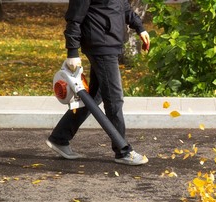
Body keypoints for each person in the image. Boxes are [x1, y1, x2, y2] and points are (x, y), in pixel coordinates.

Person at [46, 0, 150, 166]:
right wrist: (72, 51)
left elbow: (122, 5)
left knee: (94, 96)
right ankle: (123, 150)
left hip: (110, 42)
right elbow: (74, 17)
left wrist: (139, 26)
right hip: (100, 44)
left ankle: (60, 137)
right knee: (114, 99)